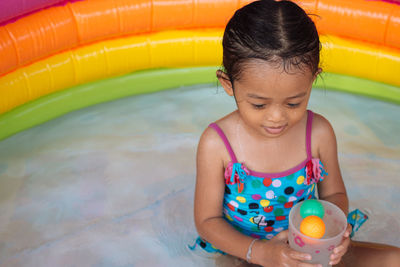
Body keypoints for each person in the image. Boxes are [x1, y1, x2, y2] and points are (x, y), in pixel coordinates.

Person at [192, 0, 400, 266]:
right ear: (228, 84)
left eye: (293, 103)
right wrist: (261, 253)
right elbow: (207, 222)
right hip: (242, 251)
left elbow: (334, 196)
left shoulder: (319, 133)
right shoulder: (217, 144)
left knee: (394, 258)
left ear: (313, 79)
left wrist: (334, 233)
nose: (277, 117)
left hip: (308, 248)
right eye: (259, 104)